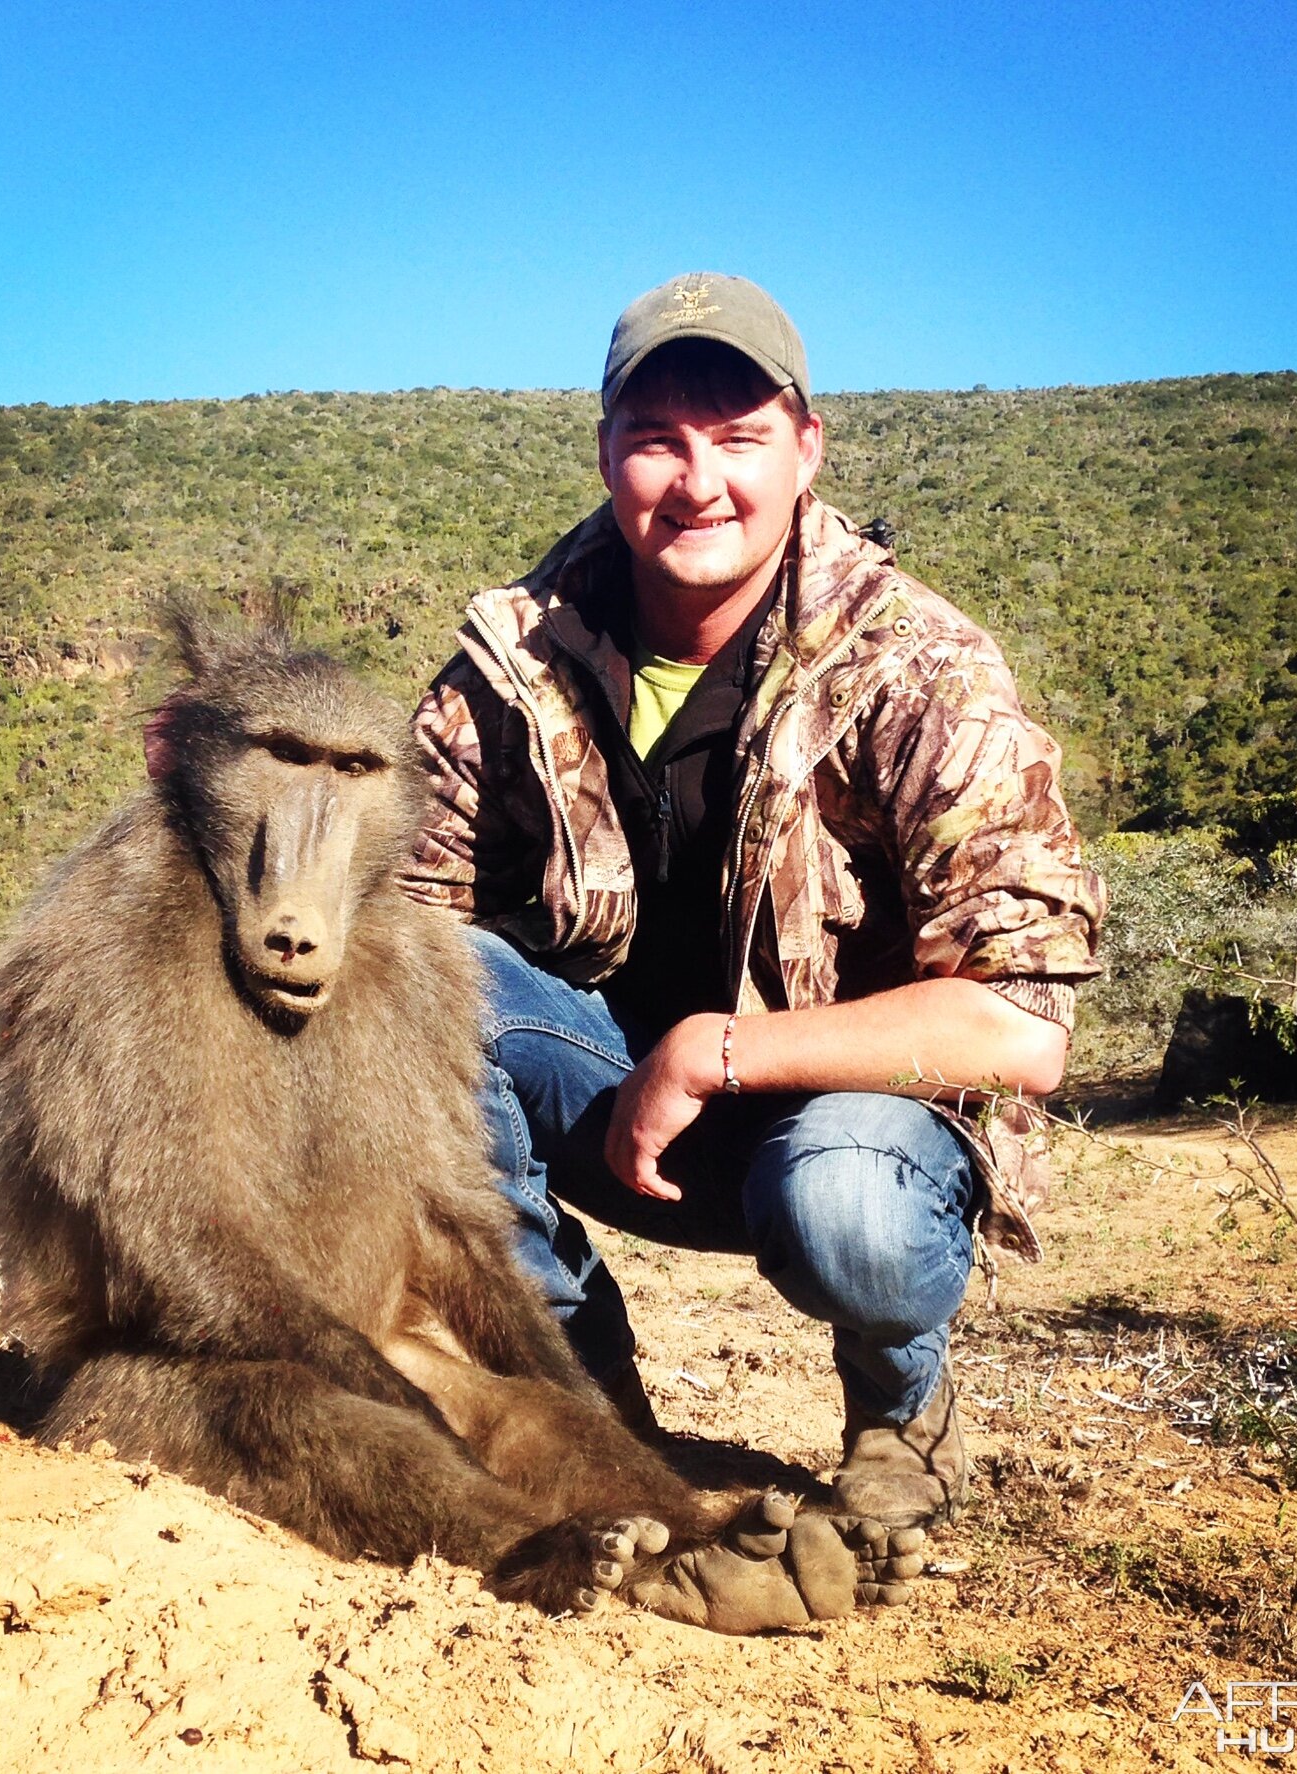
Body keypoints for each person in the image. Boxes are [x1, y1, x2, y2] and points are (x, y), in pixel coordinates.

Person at [402, 272, 1105, 1528]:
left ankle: (897, 1408)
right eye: (657, 441)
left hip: (843, 1134)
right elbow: (400, 929)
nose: (698, 481)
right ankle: (580, 1394)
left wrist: (719, 1051)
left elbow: (1022, 1030)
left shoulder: (919, 666)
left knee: (846, 1207)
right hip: (612, 1104)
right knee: (396, 994)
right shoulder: (509, 664)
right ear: (606, 451)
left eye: (737, 438)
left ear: (805, 449)